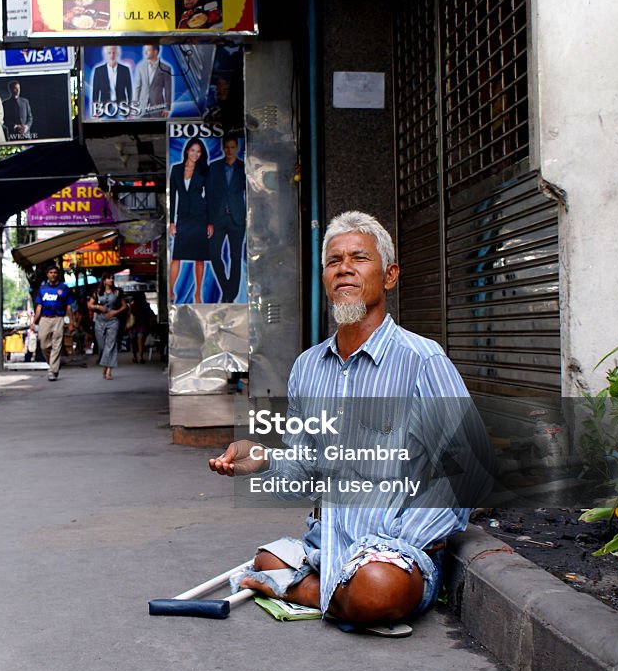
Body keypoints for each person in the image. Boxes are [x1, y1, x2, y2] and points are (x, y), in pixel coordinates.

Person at [208, 211, 493, 631]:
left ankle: (299, 589)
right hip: (329, 542)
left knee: (377, 588)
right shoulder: (308, 367)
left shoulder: (421, 360)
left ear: (390, 275)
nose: (344, 268)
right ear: (325, 278)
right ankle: (328, 588)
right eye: (333, 260)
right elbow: (305, 470)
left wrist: (401, 541)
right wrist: (263, 461)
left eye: (359, 258)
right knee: (266, 557)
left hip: (393, 553)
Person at [169, 137, 210, 303]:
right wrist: (172, 221)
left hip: (200, 216)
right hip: (183, 217)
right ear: (187, 150)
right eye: (193, 150)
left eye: (199, 151)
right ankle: (171, 290)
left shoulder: (204, 170)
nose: (196, 154)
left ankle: (197, 293)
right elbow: (172, 196)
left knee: (199, 257)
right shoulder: (176, 169)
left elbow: (210, 196)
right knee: (177, 256)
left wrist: (210, 221)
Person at [207, 136, 247, 302]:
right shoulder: (214, 166)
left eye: (233, 147)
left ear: (237, 148)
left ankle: (231, 295)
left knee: (235, 256)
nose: (230, 150)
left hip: (237, 218)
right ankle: (227, 290)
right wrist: (209, 220)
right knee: (214, 254)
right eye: (227, 147)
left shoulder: (243, 167)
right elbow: (208, 194)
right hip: (218, 217)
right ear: (223, 149)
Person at [32, 265, 75, 382]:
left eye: (55, 272)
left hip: (58, 318)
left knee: (57, 344)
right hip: (45, 319)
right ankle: (53, 363)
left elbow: (69, 306)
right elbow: (39, 306)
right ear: (47, 274)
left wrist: (71, 322)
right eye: (51, 272)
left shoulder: (64, 288)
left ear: (58, 274)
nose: (53, 274)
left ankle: (52, 370)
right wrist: (34, 322)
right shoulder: (42, 289)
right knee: (43, 344)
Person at [89, 272, 127, 380]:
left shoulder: (117, 292)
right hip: (100, 321)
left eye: (112, 278)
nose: (111, 280)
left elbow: (124, 306)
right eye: (109, 278)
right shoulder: (97, 292)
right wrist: (98, 307)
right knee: (101, 346)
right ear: (104, 280)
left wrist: (116, 312)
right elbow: (89, 305)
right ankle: (105, 366)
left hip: (113, 321)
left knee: (111, 345)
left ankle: (109, 370)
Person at [132, 45, 173, 119]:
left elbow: (168, 90)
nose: (145, 52)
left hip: (157, 106)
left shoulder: (166, 68)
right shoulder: (140, 67)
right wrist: (134, 106)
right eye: (145, 50)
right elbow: (137, 88)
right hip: (142, 107)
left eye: (148, 50)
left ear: (155, 52)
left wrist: (167, 108)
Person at [90, 46, 133, 114]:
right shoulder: (98, 71)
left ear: (118, 54)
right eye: (109, 53)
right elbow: (95, 93)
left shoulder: (125, 70)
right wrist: (95, 111)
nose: (112, 55)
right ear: (105, 55)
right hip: (104, 108)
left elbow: (129, 91)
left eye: (114, 53)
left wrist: (130, 109)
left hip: (121, 107)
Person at [128, 292, 156, 364]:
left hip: (133, 325)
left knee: (133, 342)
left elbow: (129, 315)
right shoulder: (145, 305)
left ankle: (134, 356)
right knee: (140, 342)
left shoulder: (132, 305)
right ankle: (140, 357)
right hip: (142, 325)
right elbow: (151, 314)